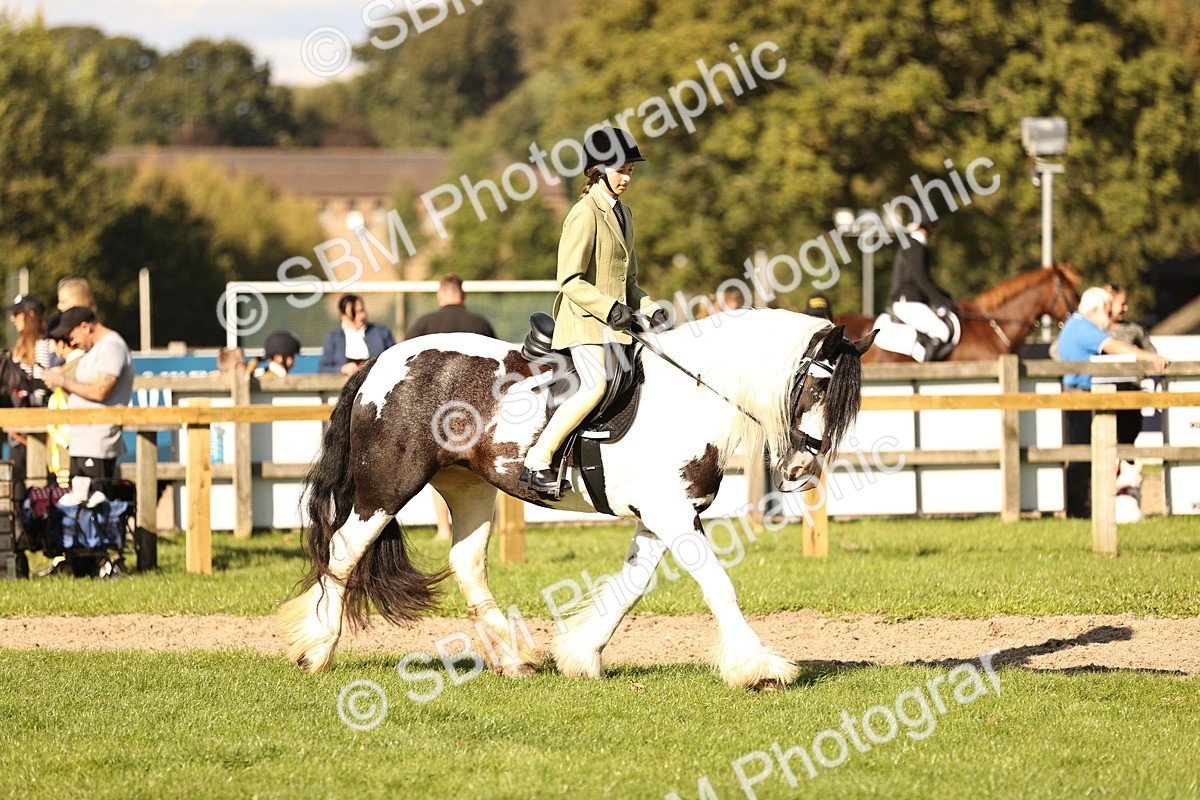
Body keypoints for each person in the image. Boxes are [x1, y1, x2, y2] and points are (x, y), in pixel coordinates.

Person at [518, 126, 666, 499]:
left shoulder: (625, 214)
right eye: (622, 170)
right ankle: (538, 459)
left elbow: (629, 280)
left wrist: (651, 308)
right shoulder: (584, 213)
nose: (628, 177)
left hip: (614, 325)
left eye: (631, 170)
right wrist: (611, 309)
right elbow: (568, 279)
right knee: (595, 385)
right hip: (583, 323)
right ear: (598, 170)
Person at [1054, 286, 1169, 517]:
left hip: (1079, 396)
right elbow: (1114, 346)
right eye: (1107, 312)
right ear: (1095, 309)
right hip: (1081, 397)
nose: (1109, 318)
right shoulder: (1083, 327)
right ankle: (1059, 498)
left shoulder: (1075, 325)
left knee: (1086, 456)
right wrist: (1150, 357)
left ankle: (1075, 508)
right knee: (1084, 458)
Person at [406, 274, 497, 540]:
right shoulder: (479, 323)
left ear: (440, 295)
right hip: (478, 411)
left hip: (437, 412)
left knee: (440, 472)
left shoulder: (425, 323)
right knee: (485, 472)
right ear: (462, 295)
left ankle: (444, 529)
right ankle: (487, 527)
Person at [41, 306, 134, 500]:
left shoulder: (112, 347)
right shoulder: (95, 350)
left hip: (98, 441)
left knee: (96, 508)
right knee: (80, 508)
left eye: (71, 335)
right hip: (83, 441)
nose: (70, 341)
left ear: (85, 327)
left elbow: (100, 391)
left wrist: (63, 381)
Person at [886, 209, 956, 361]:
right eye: (933, 226)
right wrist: (944, 300)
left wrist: (944, 296)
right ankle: (927, 371)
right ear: (927, 226)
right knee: (941, 330)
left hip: (910, 301)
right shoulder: (915, 246)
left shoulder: (911, 244)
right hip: (910, 303)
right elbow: (921, 280)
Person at [6, 294, 51, 506]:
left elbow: (41, 389)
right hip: (18, 424)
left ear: (30, 315)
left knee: (32, 478)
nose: (12, 319)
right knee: (16, 476)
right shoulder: (21, 346)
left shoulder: (42, 345)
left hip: (32, 424)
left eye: (17, 314)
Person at [318, 294, 396, 376]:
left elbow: (396, 360)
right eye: (354, 313)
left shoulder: (382, 332)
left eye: (361, 311)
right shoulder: (334, 338)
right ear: (343, 316)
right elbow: (323, 369)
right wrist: (342, 369)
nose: (360, 316)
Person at [407, 275, 497, 339]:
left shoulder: (425, 323)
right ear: (464, 296)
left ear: (439, 295)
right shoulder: (481, 323)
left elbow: (404, 353)